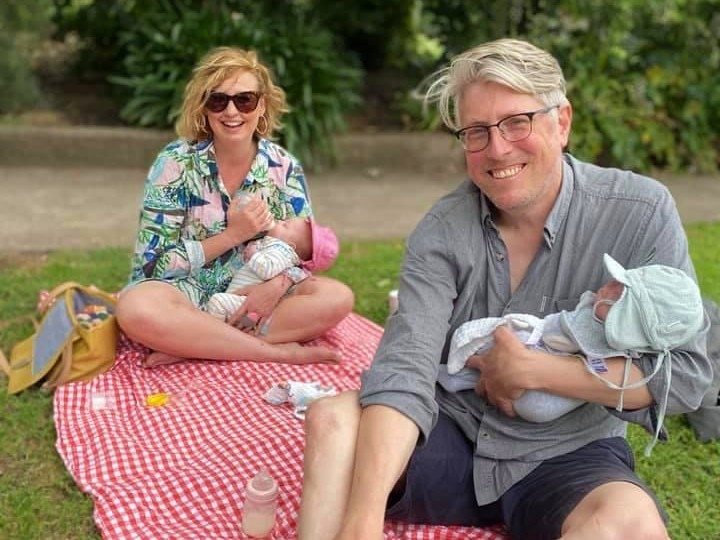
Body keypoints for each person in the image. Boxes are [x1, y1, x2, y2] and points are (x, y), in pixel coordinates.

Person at [297, 38, 712, 540]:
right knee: (334, 418)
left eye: (518, 122)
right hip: (453, 437)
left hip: (571, 455)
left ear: (561, 122)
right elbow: (405, 369)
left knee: (627, 524)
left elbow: (685, 377)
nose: (497, 149)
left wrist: (538, 371)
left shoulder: (640, 211)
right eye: (476, 131)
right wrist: (361, 524)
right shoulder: (442, 230)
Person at [115, 46, 354, 368]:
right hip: (183, 295)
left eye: (244, 100)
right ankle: (273, 351)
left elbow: (302, 247)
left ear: (262, 106)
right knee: (136, 308)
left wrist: (276, 286)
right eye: (218, 100)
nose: (231, 112)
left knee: (337, 298)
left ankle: (196, 343)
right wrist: (232, 235)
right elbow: (152, 265)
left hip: (253, 297)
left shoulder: (283, 166)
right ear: (204, 108)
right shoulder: (174, 163)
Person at [439, 253, 705, 442]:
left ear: (622, 315)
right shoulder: (633, 351)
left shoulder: (589, 326)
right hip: (546, 407)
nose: (606, 286)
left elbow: (555, 332)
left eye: (617, 289)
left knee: (489, 344)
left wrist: (522, 336)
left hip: (538, 398)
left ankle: (451, 371)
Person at [206, 216, 338, 331]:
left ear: (290, 246)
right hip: (246, 303)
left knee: (217, 303)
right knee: (237, 318)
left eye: (285, 225)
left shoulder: (282, 252)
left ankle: (216, 333)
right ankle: (238, 331)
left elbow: (268, 270)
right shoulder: (275, 248)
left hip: (247, 303)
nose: (279, 221)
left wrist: (253, 255)